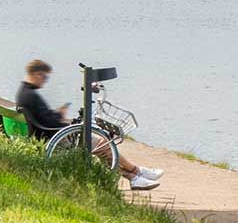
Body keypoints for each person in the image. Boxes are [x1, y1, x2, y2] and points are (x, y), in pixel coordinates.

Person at [14, 60, 163, 190]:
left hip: (42, 135)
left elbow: (42, 117)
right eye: (45, 77)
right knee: (104, 144)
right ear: (36, 74)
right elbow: (48, 122)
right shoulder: (31, 96)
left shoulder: (24, 93)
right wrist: (60, 116)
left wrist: (57, 115)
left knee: (101, 150)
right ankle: (136, 172)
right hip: (53, 138)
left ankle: (134, 177)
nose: (45, 81)